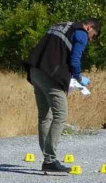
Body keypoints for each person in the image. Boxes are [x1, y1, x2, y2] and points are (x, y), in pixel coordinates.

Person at [24, 19, 101, 173]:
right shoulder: (81, 33)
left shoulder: (60, 25)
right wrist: (78, 78)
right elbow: (75, 59)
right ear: (90, 27)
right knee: (61, 114)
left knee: (45, 116)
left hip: (35, 71)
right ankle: (50, 160)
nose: (90, 40)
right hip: (50, 75)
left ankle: (47, 157)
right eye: (93, 36)